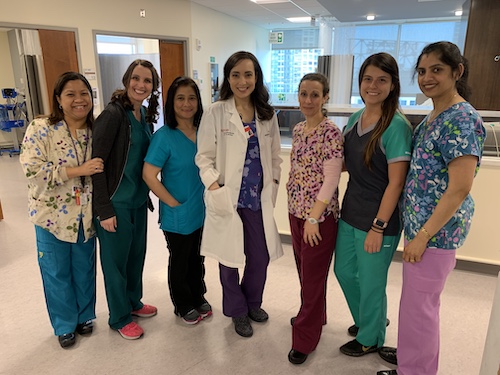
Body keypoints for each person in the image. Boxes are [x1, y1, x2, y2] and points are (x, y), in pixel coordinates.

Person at [377, 41, 486, 375]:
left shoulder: (462, 119)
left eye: (436, 70)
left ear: (457, 72)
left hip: (434, 234)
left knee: (420, 308)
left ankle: (416, 371)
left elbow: (459, 188)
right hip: (421, 230)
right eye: (422, 71)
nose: (427, 78)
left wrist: (423, 235)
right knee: (414, 305)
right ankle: (412, 358)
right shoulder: (434, 116)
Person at [195, 51, 283, 338]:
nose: (242, 81)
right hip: (227, 198)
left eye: (248, 74)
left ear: (257, 77)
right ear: (227, 78)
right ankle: (237, 311)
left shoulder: (267, 115)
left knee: (260, 258)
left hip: (257, 200)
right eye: (236, 75)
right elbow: (203, 158)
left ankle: (252, 302)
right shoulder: (216, 111)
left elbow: (274, 157)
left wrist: (274, 181)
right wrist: (215, 187)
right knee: (229, 258)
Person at [333, 53, 412, 358]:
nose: (373, 85)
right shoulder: (356, 118)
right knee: (344, 271)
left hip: (379, 221)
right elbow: (344, 163)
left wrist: (378, 226)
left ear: (393, 85)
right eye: (368, 79)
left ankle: (370, 337)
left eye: (382, 79)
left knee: (371, 281)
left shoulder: (396, 126)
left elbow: (396, 183)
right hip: (351, 212)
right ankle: (372, 319)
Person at [20, 72, 103, 348]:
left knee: (84, 268)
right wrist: (78, 170)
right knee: (56, 271)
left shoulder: (95, 131)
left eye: (84, 94)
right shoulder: (41, 127)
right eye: (70, 94)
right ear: (58, 99)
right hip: (51, 216)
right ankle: (64, 324)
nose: (79, 100)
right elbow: (32, 169)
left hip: (85, 215)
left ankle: (84, 316)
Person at [91, 59, 160, 340]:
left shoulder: (142, 115)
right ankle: (119, 317)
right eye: (136, 78)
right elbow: (97, 164)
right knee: (115, 263)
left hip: (137, 201)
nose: (140, 85)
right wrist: (104, 209)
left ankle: (133, 302)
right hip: (116, 203)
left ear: (153, 87)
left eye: (147, 81)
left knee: (135, 257)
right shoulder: (113, 114)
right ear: (126, 80)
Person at [143, 76, 211, 325]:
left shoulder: (204, 133)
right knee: (180, 260)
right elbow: (149, 175)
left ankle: (198, 295)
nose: (186, 104)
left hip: (202, 211)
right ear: (172, 103)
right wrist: (172, 204)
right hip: (178, 212)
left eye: (192, 98)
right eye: (180, 98)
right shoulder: (165, 137)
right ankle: (182, 304)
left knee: (198, 258)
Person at [286, 73, 344, 365]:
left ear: (325, 97)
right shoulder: (298, 129)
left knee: (311, 278)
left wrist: (313, 217)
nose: (308, 100)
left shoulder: (330, 132)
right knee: (305, 273)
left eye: (315, 95)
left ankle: (305, 338)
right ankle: (315, 315)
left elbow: (331, 179)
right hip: (295, 212)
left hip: (317, 219)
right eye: (303, 94)